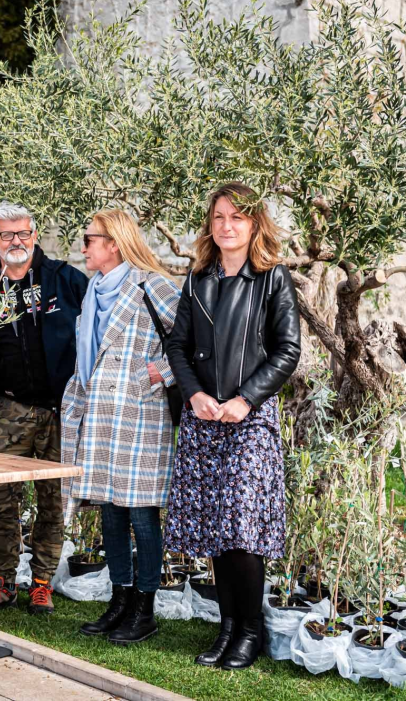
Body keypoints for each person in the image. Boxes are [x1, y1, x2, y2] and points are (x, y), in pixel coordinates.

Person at [163, 182, 301, 670]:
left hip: (249, 417)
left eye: (237, 218)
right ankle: (227, 628)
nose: (226, 226)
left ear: (253, 224)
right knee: (217, 529)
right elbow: (176, 346)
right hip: (204, 418)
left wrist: (246, 399)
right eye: (219, 217)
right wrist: (195, 395)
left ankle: (251, 632)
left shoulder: (272, 278)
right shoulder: (197, 277)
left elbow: (288, 350)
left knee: (241, 527)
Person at [61, 209, 180, 644]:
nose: (83, 246)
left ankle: (145, 608)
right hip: (98, 415)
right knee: (110, 512)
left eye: (89, 238)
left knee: (143, 516)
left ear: (114, 243)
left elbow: (194, 337)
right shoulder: (93, 289)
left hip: (140, 416)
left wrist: (160, 373)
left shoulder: (153, 284)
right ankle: (120, 598)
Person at [0, 202, 89, 616]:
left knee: (54, 500)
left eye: (23, 233)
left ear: (34, 235)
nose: (16, 241)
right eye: (6, 235)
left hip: (61, 411)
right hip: (7, 410)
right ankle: (1, 579)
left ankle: (42, 582)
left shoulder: (65, 280)